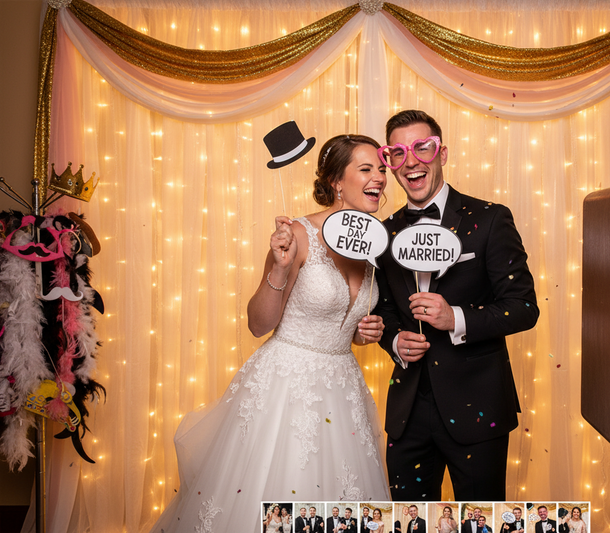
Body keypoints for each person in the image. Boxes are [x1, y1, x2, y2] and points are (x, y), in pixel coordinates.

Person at [149, 135, 391, 533]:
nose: (379, 177)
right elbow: (258, 324)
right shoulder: (297, 234)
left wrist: (366, 331)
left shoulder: (371, 243)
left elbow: (342, 324)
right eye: (366, 169)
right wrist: (279, 268)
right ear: (336, 181)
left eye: (381, 169)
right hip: (286, 387)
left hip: (343, 386)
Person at [374, 108, 539, 501]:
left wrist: (456, 318)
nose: (411, 161)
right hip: (408, 413)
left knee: (481, 521)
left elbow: (523, 306)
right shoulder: (385, 232)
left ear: (442, 153)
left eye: (422, 148)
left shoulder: (490, 219)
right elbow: (383, 310)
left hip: (477, 410)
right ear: (391, 163)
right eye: (398, 152)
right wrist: (395, 341)